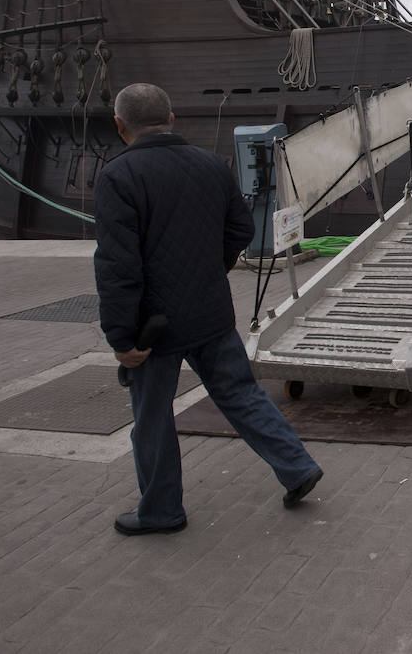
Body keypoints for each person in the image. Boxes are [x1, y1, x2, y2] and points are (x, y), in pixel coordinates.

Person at [95, 83, 323, 536]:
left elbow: (118, 265)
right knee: (241, 393)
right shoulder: (210, 165)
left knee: (153, 417)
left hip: (153, 326)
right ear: (172, 118)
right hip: (209, 310)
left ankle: (161, 511)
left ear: (119, 126)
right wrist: (207, 270)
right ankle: (296, 467)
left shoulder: (119, 176)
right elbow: (240, 229)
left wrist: (121, 338)